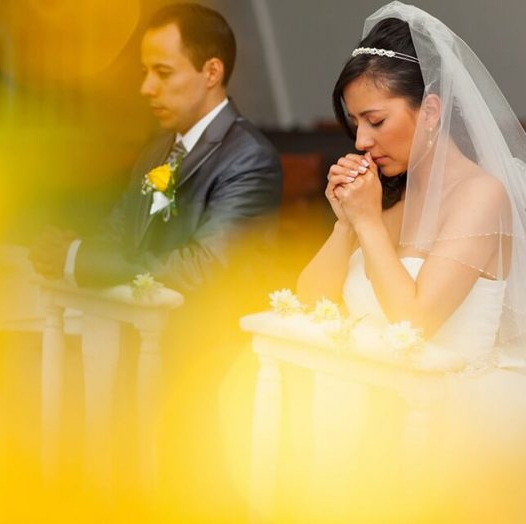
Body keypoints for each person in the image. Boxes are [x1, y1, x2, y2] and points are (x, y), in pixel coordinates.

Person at [293, 2, 526, 519]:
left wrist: (370, 224)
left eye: (375, 120)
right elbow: (307, 302)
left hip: (453, 427)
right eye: (354, 123)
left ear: (432, 112)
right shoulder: (395, 206)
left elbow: (415, 321)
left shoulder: (482, 195)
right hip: (378, 412)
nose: (360, 141)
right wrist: (344, 225)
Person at [29, 3, 282, 294]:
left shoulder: (250, 158)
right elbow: (119, 233)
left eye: (163, 72)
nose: (146, 88)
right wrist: (74, 250)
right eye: (145, 71)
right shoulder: (157, 149)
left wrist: (77, 258)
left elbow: (202, 267)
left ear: (212, 73)